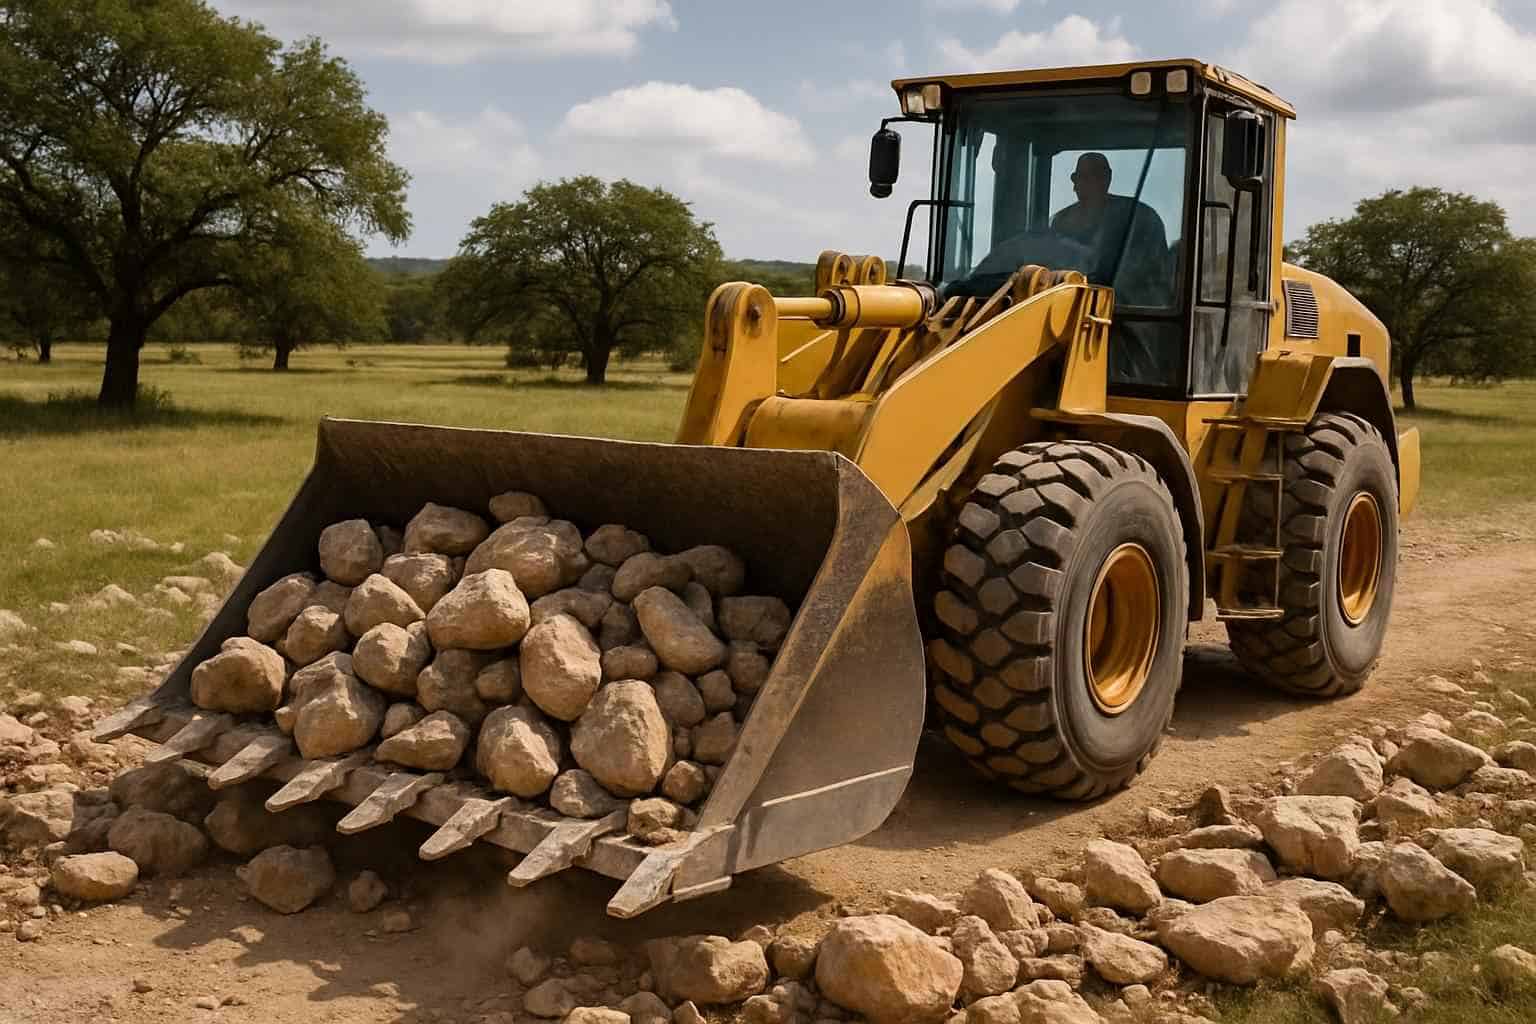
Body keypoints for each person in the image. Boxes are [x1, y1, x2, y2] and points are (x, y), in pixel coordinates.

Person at [1049, 152, 1170, 306]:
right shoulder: (1062, 221)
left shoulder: (1140, 219)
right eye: (1076, 177)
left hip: (1127, 312)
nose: (1077, 185)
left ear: (1106, 179)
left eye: (1088, 177)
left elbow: (1153, 276)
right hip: (1068, 307)